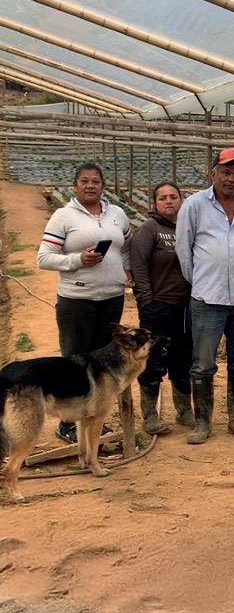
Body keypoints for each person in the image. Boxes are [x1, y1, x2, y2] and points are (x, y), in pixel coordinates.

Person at [37, 162, 131, 443]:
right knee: (75, 360)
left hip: (112, 298)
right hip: (77, 300)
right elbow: (44, 258)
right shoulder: (63, 216)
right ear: (75, 185)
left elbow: (126, 247)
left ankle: (93, 419)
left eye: (95, 181)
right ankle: (67, 423)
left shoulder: (117, 214)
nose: (90, 185)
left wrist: (126, 270)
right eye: (84, 181)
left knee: (102, 362)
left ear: (103, 185)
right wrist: (78, 259)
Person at [175, 148, 234, 445]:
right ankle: (203, 423)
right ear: (213, 173)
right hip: (207, 299)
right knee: (203, 364)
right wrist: (201, 281)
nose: (231, 179)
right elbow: (184, 250)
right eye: (226, 172)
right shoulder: (195, 205)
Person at [130, 181, 194, 435]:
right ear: (155, 203)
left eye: (173, 197)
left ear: (181, 200)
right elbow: (139, 268)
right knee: (154, 360)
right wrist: (147, 301)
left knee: (183, 358)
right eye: (162, 198)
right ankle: (150, 415)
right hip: (158, 307)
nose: (169, 201)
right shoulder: (149, 230)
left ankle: (184, 410)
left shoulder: (188, 228)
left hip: (186, 307)